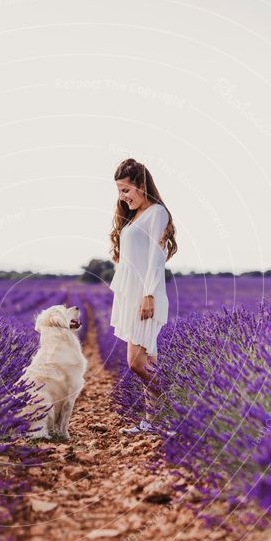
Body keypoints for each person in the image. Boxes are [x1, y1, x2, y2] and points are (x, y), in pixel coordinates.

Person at [108, 158, 177, 433]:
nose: (123, 198)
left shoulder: (157, 212)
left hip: (145, 295)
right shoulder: (134, 216)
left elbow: (155, 258)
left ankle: (172, 410)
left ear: (141, 186)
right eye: (119, 192)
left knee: (136, 363)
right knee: (147, 361)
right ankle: (154, 422)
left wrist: (149, 295)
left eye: (126, 190)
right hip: (132, 294)